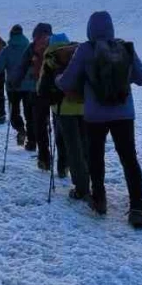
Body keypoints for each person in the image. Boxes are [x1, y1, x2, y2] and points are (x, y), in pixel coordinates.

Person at [56, 11, 142, 228]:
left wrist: (57, 78)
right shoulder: (125, 47)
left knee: (96, 156)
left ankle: (99, 200)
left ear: (90, 30)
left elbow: (68, 81)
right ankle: (137, 207)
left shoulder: (85, 49)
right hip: (124, 114)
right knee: (129, 159)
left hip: (95, 116)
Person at [38, 33, 89, 197]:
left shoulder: (51, 60)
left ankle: (78, 184)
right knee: (85, 146)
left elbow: (41, 88)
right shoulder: (80, 56)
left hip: (62, 111)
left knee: (71, 147)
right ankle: (89, 180)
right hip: (84, 108)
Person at [14, 23, 52, 168]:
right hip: (59, 91)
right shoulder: (59, 43)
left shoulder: (32, 47)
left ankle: (44, 159)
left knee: (40, 124)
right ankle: (63, 162)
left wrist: (15, 82)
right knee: (61, 127)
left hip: (39, 90)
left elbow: (22, 67)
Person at [0, 25, 31, 146]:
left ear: (11, 35)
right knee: (29, 113)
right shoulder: (30, 48)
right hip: (29, 86)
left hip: (13, 86)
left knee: (14, 113)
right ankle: (32, 142)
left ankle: (20, 129)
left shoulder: (7, 50)